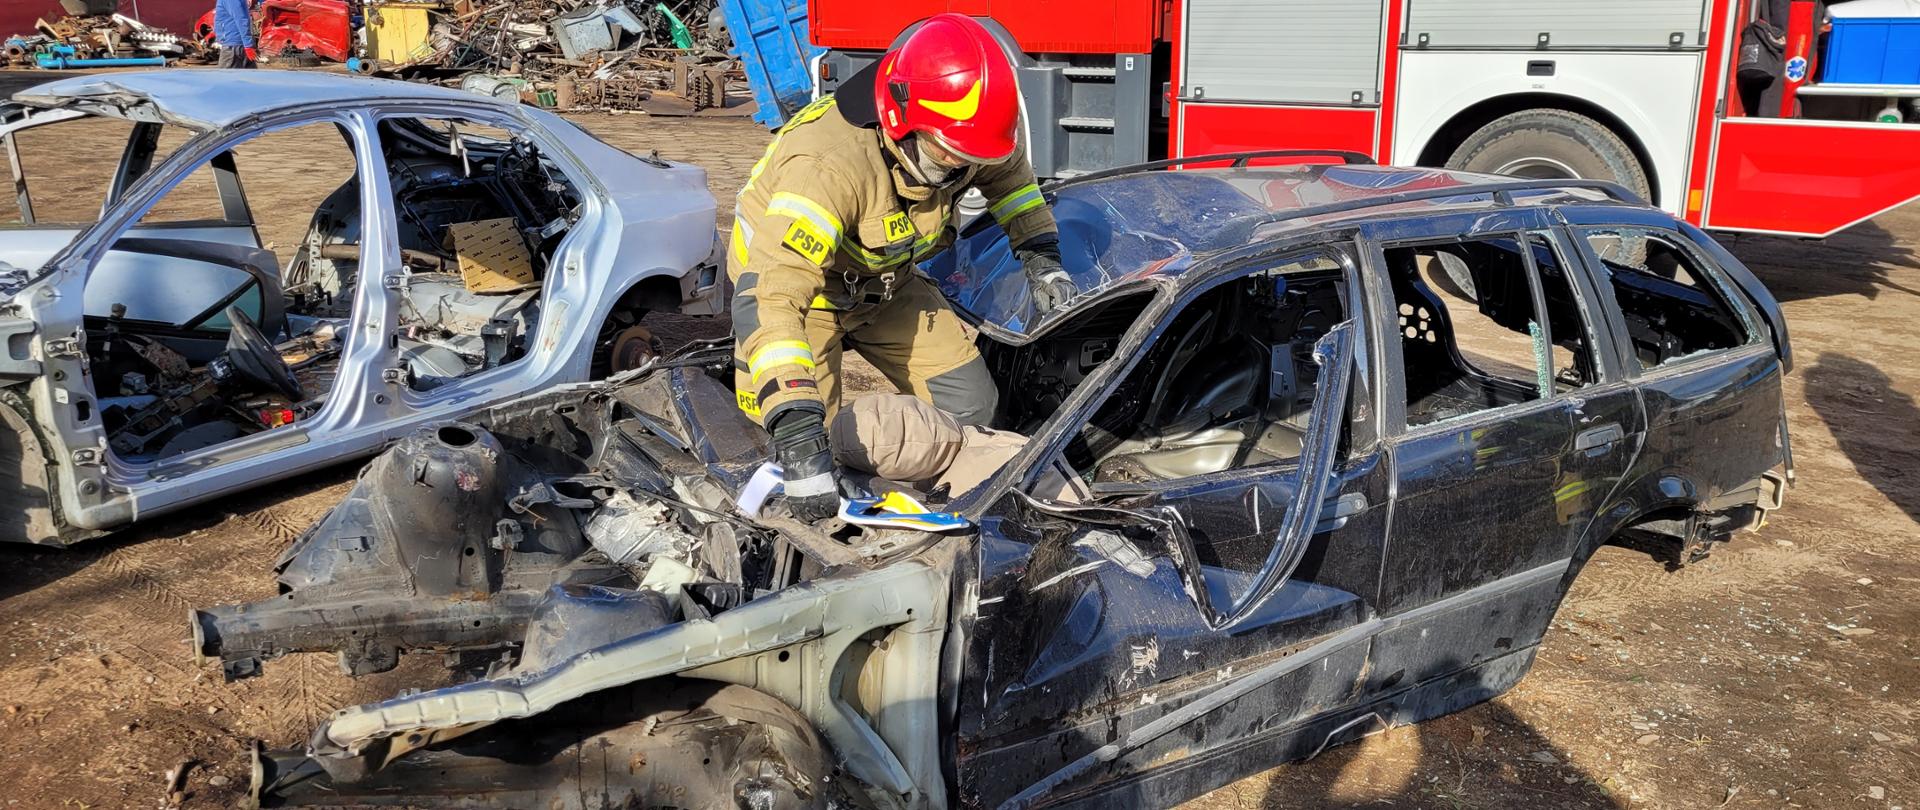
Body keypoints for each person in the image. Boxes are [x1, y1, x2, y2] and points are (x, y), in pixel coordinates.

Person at [728, 13, 1075, 521]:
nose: (958, 167)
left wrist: (1042, 258)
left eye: (967, 156)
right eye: (948, 155)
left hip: (887, 285)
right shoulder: (829, 163)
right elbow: (772, 294)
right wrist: (796, 428)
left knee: (973, 407)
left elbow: (1013, 184)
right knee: (804, 457)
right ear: (899, 118)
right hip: (805, 296)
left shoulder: (965, 129)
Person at [213, 0, 258, 69]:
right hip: (238, 44)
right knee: (248, 77)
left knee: (225, 77)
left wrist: (248, 45)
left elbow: (241, 19)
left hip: (233, 46)